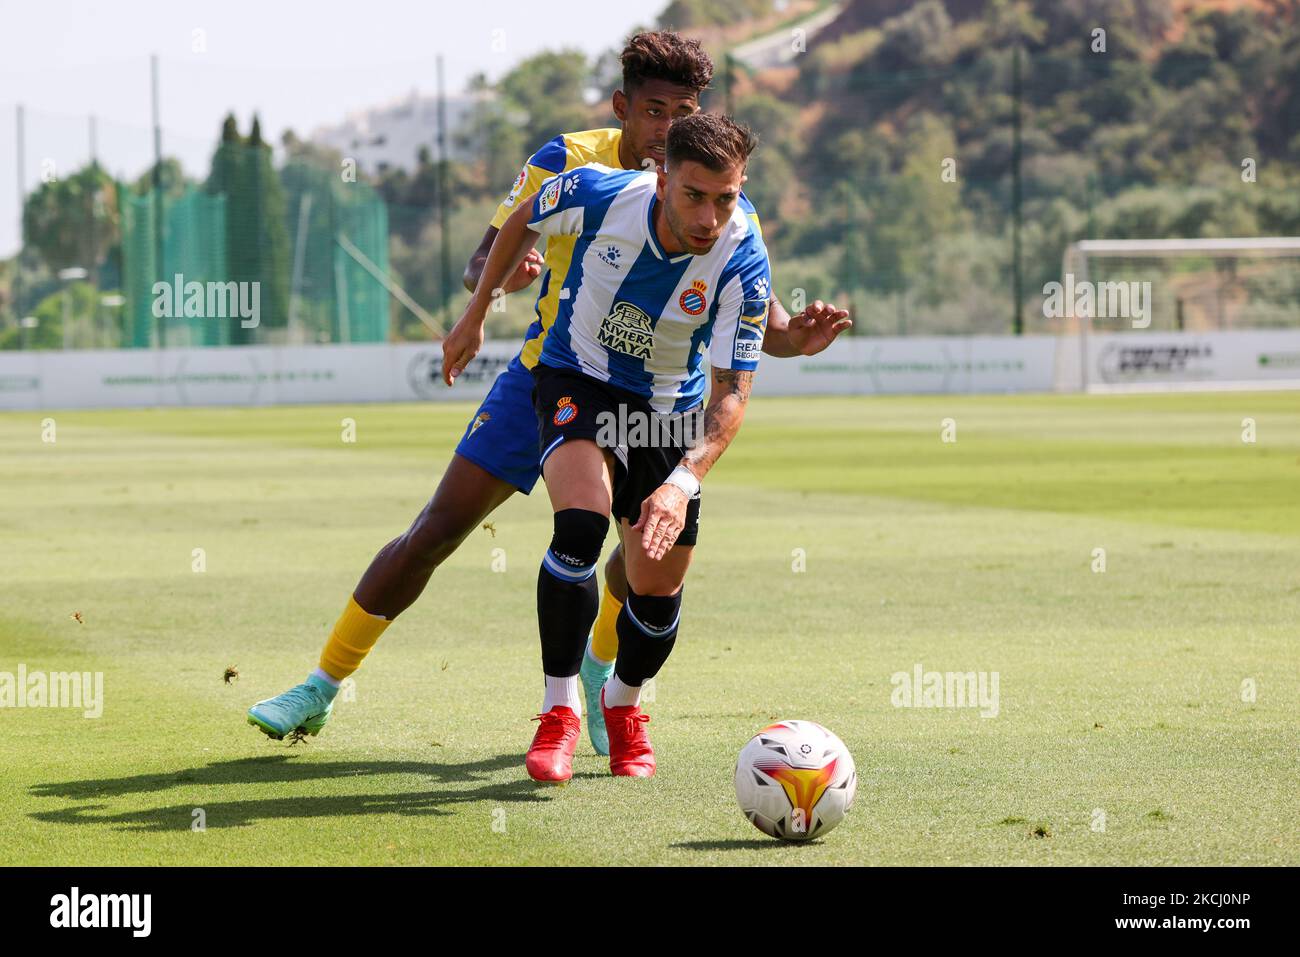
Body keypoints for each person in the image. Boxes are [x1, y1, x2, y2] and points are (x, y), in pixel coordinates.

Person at [246, 34, 850, 747]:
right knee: (434, 532)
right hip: (549, 374)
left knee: (640, 554)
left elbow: (758, 326)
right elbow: (485, 257)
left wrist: (796, 338)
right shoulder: (568, 162)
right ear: (623, 107)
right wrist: (498, 286)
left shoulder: (709, 189)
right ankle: (321, 684)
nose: (665, 129)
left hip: (659, 402)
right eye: (653, 111)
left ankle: (598, 673)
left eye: (681, 111)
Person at [442, 110, 845, 782]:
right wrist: (477, 310)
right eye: (694, 195)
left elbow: (731, 394)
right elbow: (520, 219)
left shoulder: (743, 253)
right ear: (661, 178)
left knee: (655, 590)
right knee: (580, 522)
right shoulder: (599, 194)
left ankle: (623, 703)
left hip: (668, 411)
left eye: (726, 197)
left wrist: (681, 482)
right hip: (579, 378)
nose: (710, 216)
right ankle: (558, 711)